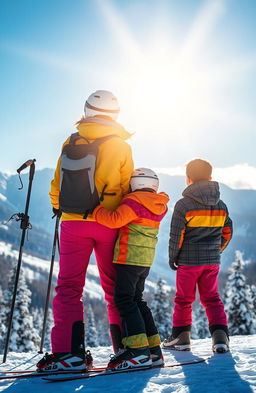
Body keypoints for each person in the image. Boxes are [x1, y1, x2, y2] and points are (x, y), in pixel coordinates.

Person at [37, 90, 134, 372]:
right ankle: (124, 351)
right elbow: (128, 188)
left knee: (68, 287)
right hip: (108, 222)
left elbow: (56, 185)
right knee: (115, 288)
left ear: (86, 111)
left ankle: (69, 355)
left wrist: (62, 209)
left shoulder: (71, 141)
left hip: (72, 222)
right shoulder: (121, 146)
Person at [92, 168, 169, 370]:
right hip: (145, 260)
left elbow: (115, 219)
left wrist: (96, 210)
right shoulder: (159, 205)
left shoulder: (134, 201)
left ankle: (137, 350)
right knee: (137, 300)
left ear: (134, 183)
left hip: (129, 257)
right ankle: (154, 350)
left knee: (125, 300)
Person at [163, 158, 232, 353]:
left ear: (188, 179)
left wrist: (173, 257)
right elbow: (227, 230)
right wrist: (217, 250)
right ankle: (220, 338)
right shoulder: (222, 205)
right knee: (212, 298)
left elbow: (176, 235)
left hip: (188, 262)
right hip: (212, 262)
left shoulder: (184, 205)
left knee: (184, 299)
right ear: (210, 177)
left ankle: (181, 337)